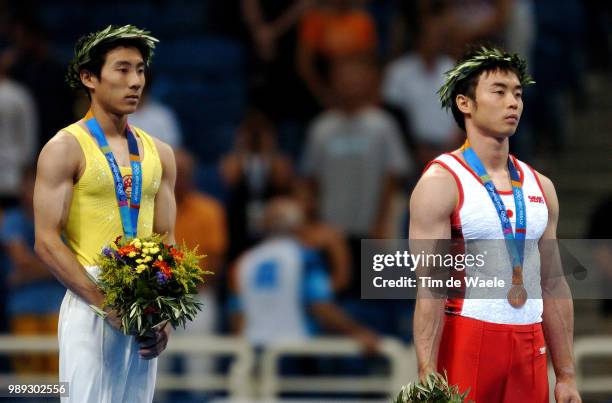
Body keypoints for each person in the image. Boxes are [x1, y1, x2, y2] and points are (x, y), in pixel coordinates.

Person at [409, 46, 581, 402]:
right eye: (499, 92)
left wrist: (565, 375)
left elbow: (554, 284)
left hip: (530, 346)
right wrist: (426, 373)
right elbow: (430, 287)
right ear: (465, 104)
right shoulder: (441, 183)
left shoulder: (541, 187)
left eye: (518, 93)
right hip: (467, 340)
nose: (513, 102)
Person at [33, 25, 176, 403]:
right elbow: (46, 242)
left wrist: (164, 309)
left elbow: (166, 238)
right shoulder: (65, 148)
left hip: (144, 297)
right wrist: (104, 303)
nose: (136, 82)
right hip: (90, 295)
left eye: (141, 70)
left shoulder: (160, 153)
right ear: (88, 77)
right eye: (123, 69)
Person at [229, 196, 378, 353]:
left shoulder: (244, 262)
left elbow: (237, 317)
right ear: (299, 227)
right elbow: (320, 306)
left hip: (254, 348)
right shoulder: (304, 257)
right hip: (294, 349)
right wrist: (357, 332)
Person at [1, 166, 65, 375]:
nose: (35, 191)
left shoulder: (63, 220)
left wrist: (25, 274)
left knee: (59, 380)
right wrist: (58, 267)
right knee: (28, 382)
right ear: (21, 187)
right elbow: (22, 261)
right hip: (23, 308)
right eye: (30, 185)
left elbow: (71, 262)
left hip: (58, 308)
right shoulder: (13, 219)